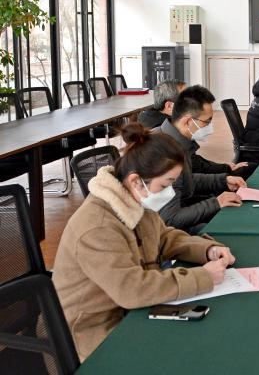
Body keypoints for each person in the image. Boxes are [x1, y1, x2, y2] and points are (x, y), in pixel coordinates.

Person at [52, 123, 236, 361]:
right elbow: (131, 290)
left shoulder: (134, 200)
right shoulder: (96, 227)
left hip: (131, 314)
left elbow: (164, 236)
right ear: (136, 181)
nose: (170, 193)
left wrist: (207, 250)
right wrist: (203, 277)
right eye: (165, 185)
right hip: (93, 334)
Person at [156, 85, 247, 233]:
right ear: (188, 121)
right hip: (164, 230)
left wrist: (222, 180)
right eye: (207, 122)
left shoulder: (172, 139)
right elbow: (170, 220)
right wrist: (216, 203)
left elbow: (184, 181)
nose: (210, 127)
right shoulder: (166, 153)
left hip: (177, 210)